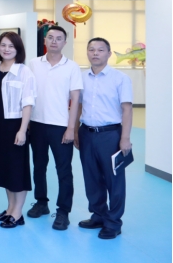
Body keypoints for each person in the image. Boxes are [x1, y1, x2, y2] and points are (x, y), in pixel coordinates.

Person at [75, 37, 133, 240]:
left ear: (109, 53)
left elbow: (127, 109)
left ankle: (113, 222)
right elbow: (78, 106)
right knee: (91, 178)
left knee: (114, 181)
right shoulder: (81, 77)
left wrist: (125, 138)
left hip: (111, 135)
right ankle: (98, 215)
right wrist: (76, 131)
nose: (95, 53)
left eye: (100, 50)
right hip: (86, 133)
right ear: (87, 52)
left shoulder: (120, 78)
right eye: (91, 49)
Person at [27, 25, 83, 230]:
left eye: (59, 38)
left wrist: (71, 128)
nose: (54, 41)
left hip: (61, 126)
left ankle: (63, 211)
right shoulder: (33, 64)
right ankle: (41, 202)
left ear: (65, 42)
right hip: (36, 124)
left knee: (64, 170)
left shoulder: (72, 67)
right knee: (38, 166)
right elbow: (28, 94)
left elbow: (75, 99)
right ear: (45, 40)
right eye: (50, 37)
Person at [0, 32, 36, 228]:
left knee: (17, 169)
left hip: (15, 125)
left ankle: (18, 213)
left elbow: (28, 103)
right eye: (3, 45)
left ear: (18, 49)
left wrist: (23, 130)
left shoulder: (24, 72)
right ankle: (9, 209)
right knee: (5, 169)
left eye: (11, 46)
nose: (6, 49)